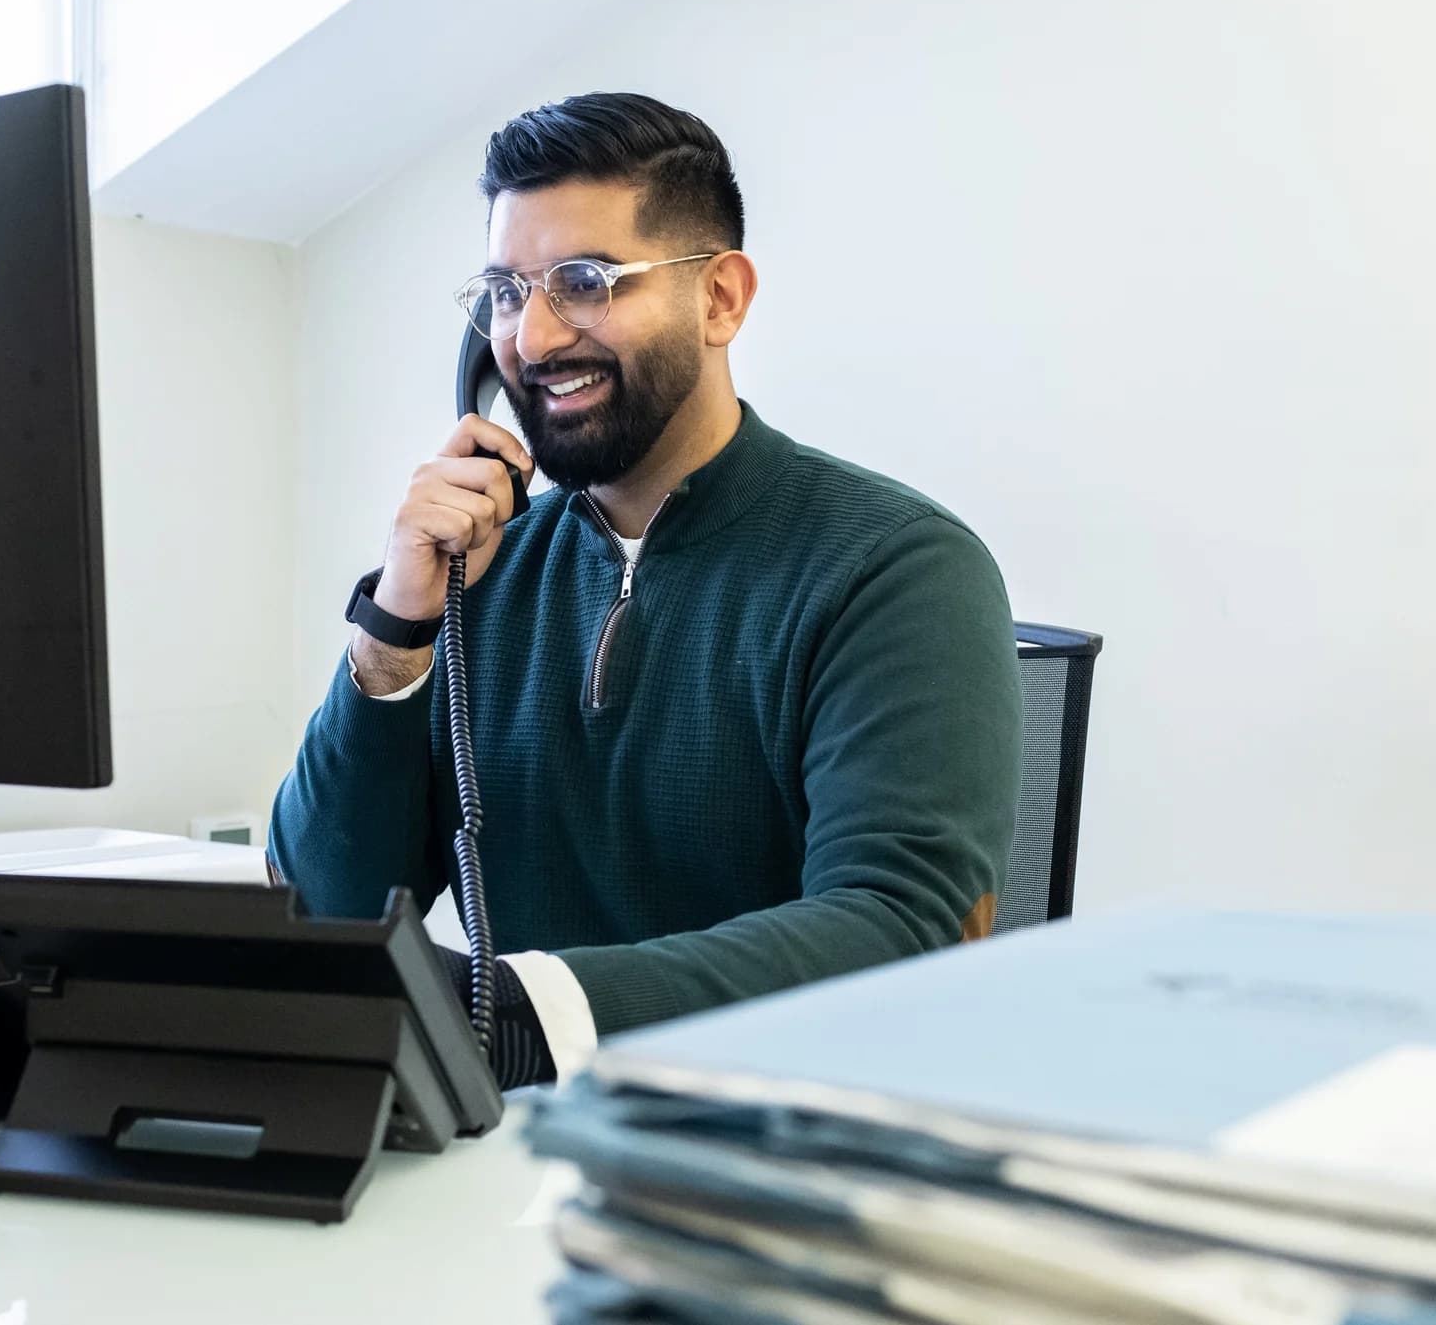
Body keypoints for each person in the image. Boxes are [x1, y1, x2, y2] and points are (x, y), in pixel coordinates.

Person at [269, 92, 1020, 1090]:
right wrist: (393, 631)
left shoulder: (895, 567)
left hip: (775, 1151)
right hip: (513, 1151)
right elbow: (322, 912)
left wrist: (531, 1018)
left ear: (719, 300)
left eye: (583, 282)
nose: (530, 340)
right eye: (504, 290)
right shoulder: (478, 572)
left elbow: (896, 927)